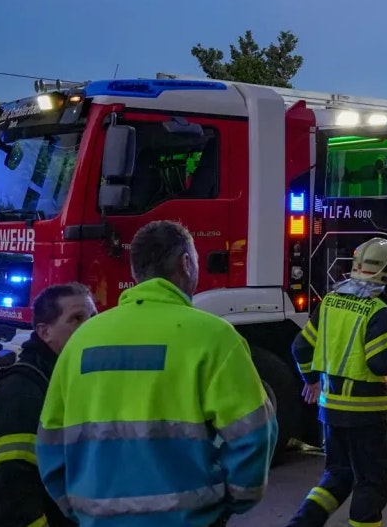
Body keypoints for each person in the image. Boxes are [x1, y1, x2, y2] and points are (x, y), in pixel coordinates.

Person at [38, 220, 277, 527]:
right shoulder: (214, 336)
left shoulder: (82, 339)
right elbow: (254, 434)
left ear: (135, 272)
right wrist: (233, 501)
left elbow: (50, 441)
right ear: (186, 263)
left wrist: (76, 506)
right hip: (191, 519)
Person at [287, 237, 387, 527]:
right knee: (372, 481)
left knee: (338, 475)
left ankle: (300, 524)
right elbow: (381, 362)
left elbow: (300, 347)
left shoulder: (329, 302)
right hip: (365, 414)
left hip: (330, 410)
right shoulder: (376, 310)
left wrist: (311, 381)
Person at [0, 283, 95, 527]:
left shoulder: (62, 378)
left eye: (93, 317)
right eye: (76, 319)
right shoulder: (22, 394)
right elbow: (9, 498)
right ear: (44, 332)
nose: (90, 326)